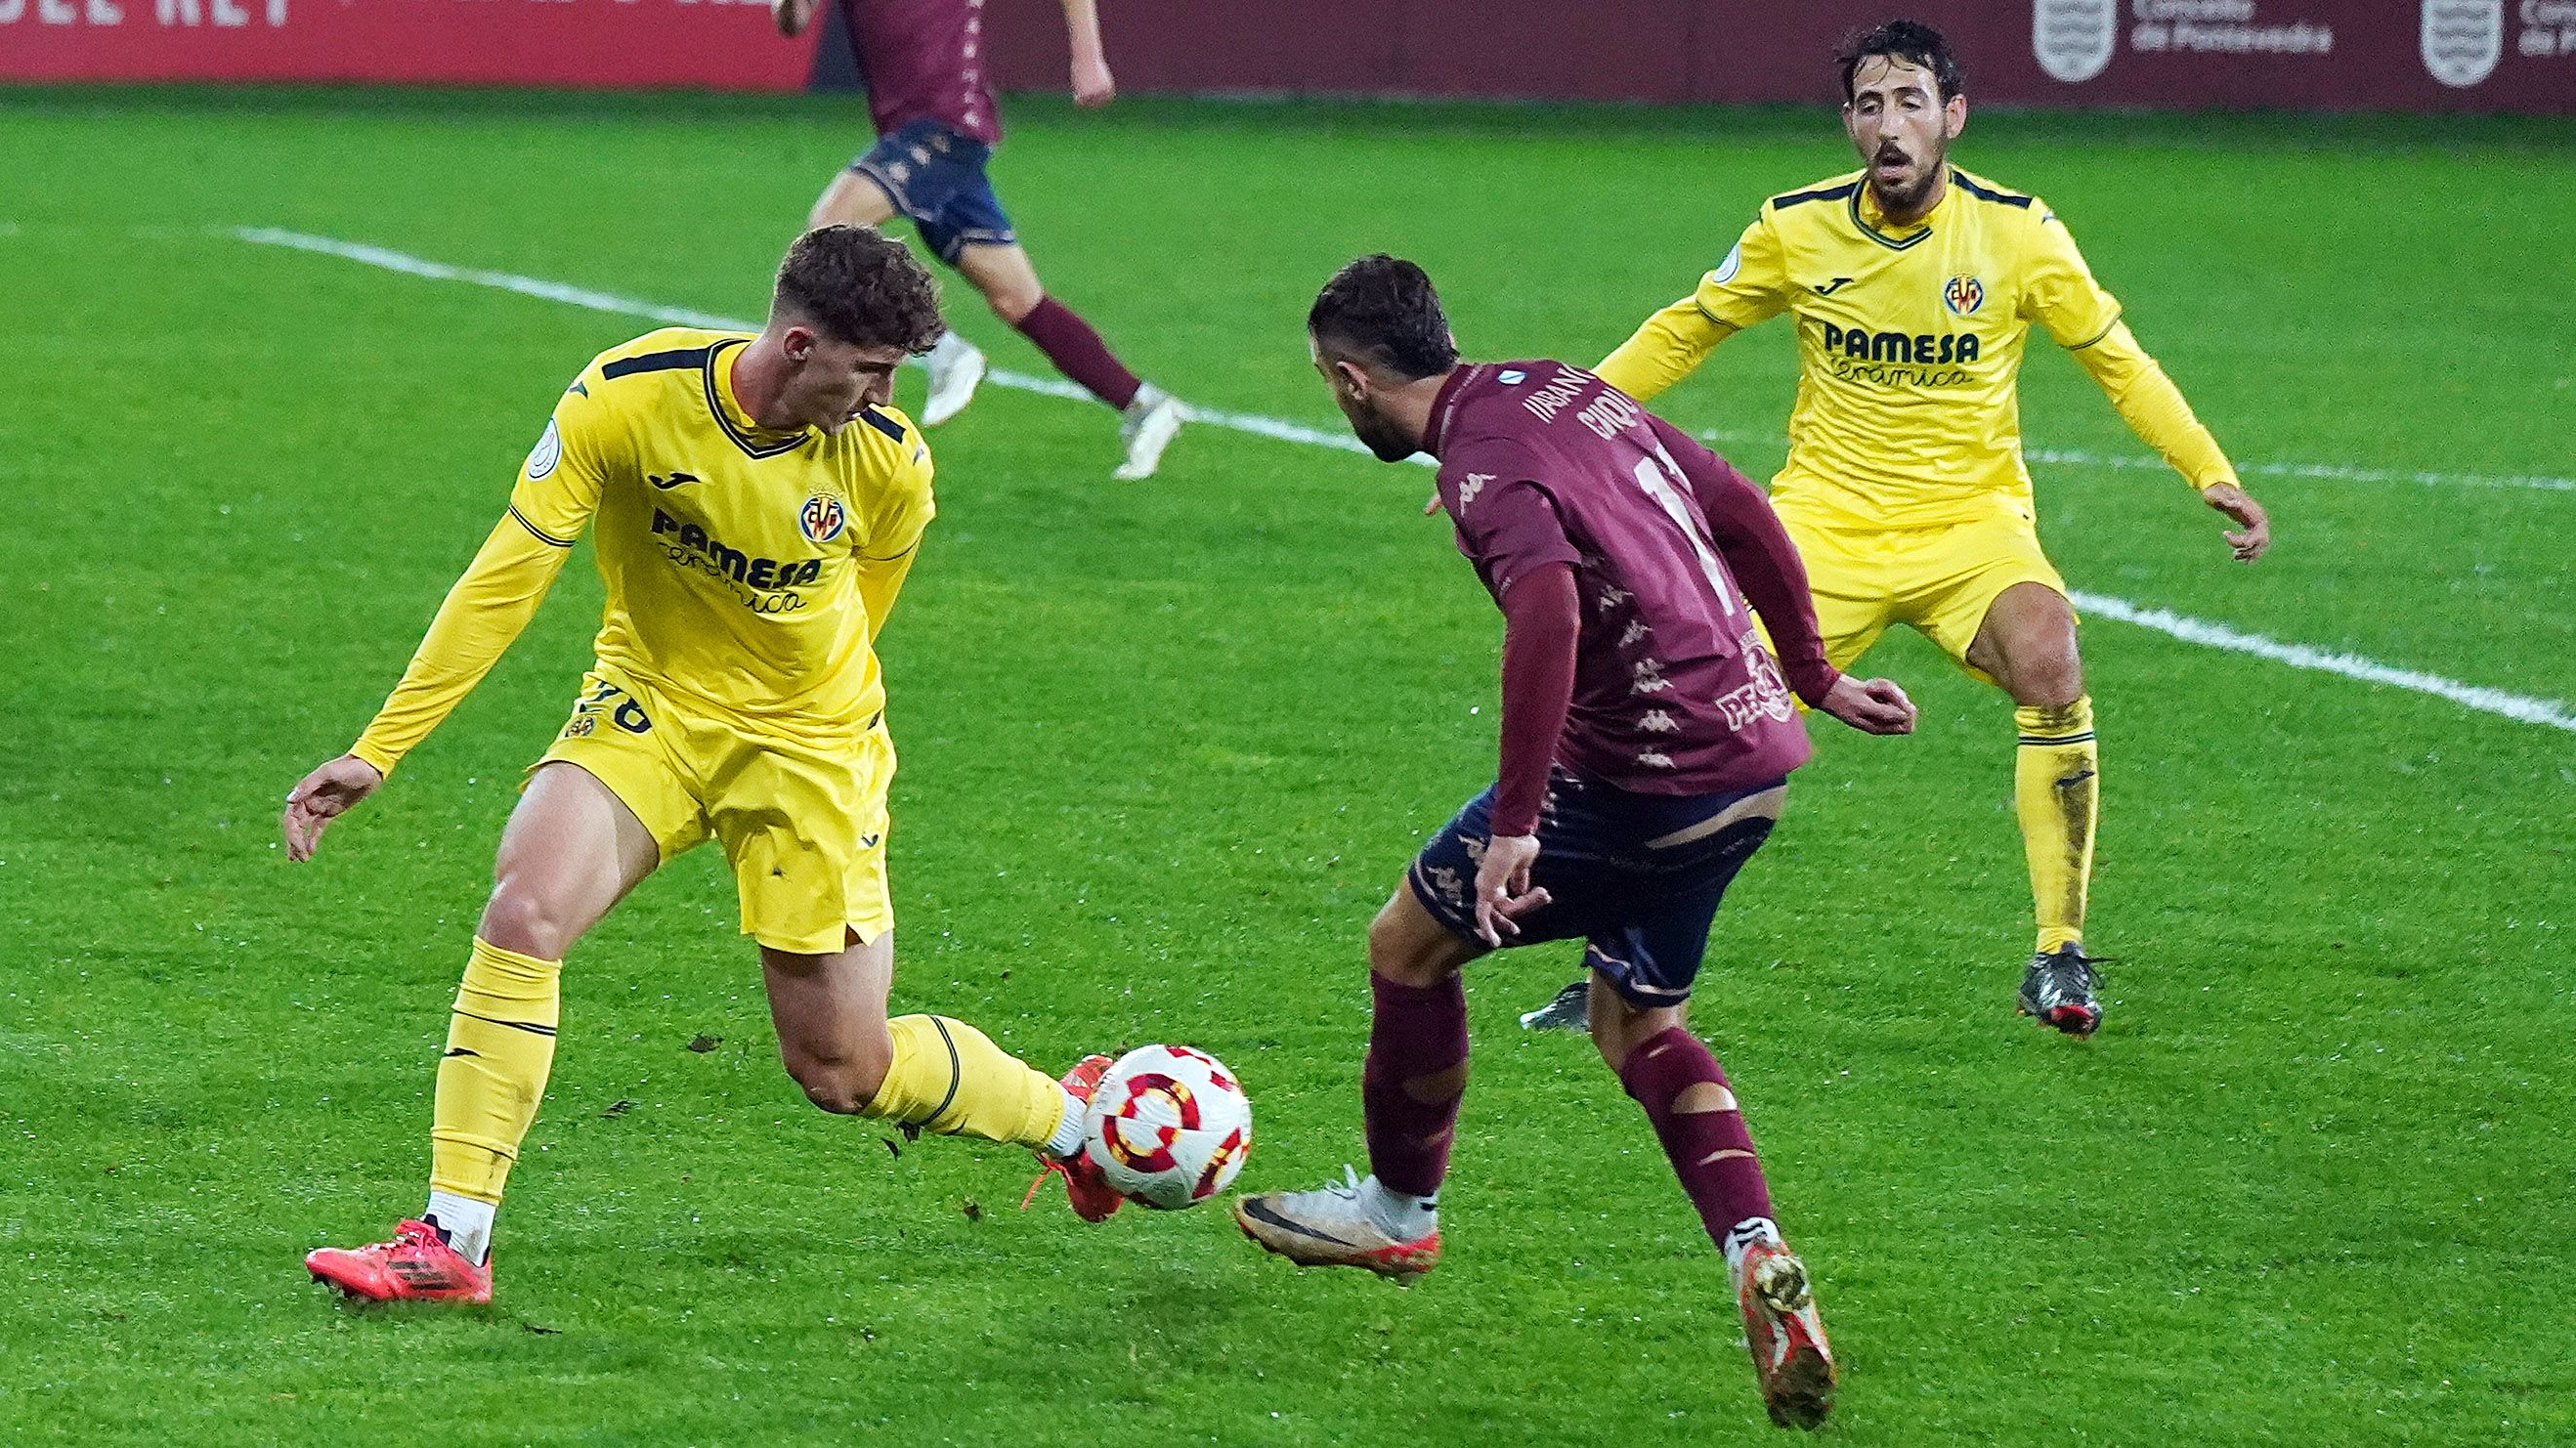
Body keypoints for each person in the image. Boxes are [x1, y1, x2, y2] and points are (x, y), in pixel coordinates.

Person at [288, 225, 1127, 1307]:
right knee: (523, 910)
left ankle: (1070, 1123)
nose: (882, 396)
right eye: (868, 371)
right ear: (795, 345)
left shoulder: (886, 464)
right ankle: (453, 1241)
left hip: (810, 749)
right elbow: (505, 578)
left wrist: (815, 727)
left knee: (842, 1071)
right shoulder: (627, 399)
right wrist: (379, 748)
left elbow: (866, 611)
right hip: (651, 707)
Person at [1233, 255, 1917, 1430]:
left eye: (1323, 384)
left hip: (1640, 781)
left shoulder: (1478, 472)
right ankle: (1755, 1251)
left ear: (1352, 380)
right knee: (1638, 1021)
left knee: (1406, 946)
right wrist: (1812, 673)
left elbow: (1543, 610)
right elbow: (1738, 506)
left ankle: (1398, 1215)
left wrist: (1513, 828)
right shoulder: (1559, 387)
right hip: (1752, 765)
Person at [1522, 18, 2271, 1041]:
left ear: (1951, 117)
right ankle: (1618, 960)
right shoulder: (1795, 228)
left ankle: (2057, 951)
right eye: (1869, 105)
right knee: (1692, 706)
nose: (1889, 124)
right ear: (1847, 123)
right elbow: (1685, 326)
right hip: (1822, 529)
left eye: (1910, 102)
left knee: (2050, 661)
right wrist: (1550, 438)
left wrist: (2208, 470)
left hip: (1972, 529)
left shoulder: (2016, 233)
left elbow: (2117, 360)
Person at [775, 0, 1184, 479]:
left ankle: (946, 352)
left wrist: (1087, 56)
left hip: (948, 127)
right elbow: (793, 22)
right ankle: (1143, 404)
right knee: (1017, 299)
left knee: (830, 228)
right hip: (913, 136)